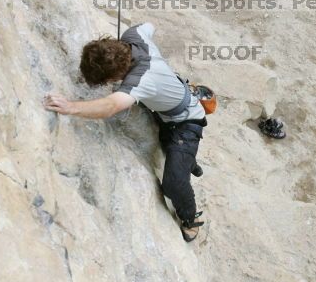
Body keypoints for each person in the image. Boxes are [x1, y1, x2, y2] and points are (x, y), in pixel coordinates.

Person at [43, 22, 207, 242]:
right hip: (168, 111)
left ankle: (190, 218)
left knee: (174, 182)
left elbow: (111, 106)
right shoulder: (134, 35)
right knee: (168, 144)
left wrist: (71, 107)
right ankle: (189, 162)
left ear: (115, 77)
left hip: (187, 123)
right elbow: (149, 26)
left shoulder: (141, 81)